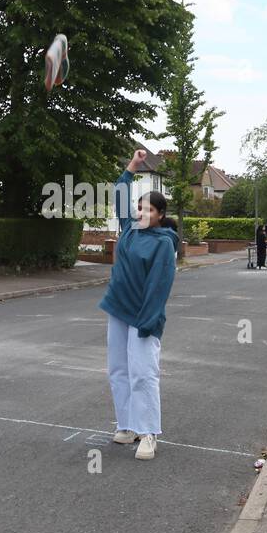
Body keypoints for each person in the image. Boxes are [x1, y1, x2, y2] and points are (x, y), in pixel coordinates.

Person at [100, 149, 180, 461]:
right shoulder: (130, 228)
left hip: (143, 317)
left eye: (147, 209)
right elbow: (119, 194)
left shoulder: (162, 243)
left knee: (143, 373)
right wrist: (132, 166)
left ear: (159, 214)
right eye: (139, 208)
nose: (140, 213)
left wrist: (148, 321)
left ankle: (149, 434)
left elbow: (158, 287)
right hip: (118, 309)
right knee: (118, 370)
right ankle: (128, 425)